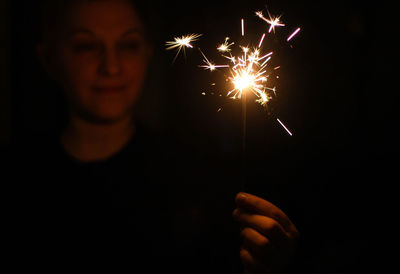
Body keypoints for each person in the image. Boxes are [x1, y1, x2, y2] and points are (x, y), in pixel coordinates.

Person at [9, 0, 300, 273]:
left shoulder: (198, 182)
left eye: (128, 45)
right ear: (48, 58)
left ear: (148, 53)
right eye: (86, 46)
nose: (111, 67)